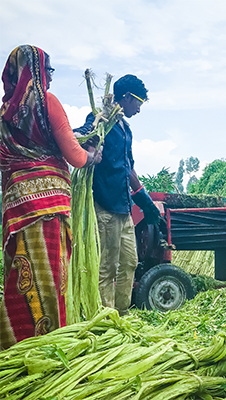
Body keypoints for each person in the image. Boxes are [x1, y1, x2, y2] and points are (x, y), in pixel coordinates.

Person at [0, 45, 102, 349]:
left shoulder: (5, 116)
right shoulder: (47, 103)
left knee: (20, 274)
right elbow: (74, 155)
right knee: (51, 278)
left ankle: (12, 342)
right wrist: (92, 155)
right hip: (49, 206)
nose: (51, 79)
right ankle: (47, 343)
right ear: (37, 70)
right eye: (49, 71)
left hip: (16, 208)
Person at [74, 75, 160, 317]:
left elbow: (127, 167)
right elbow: (83, 142)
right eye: (139, 102)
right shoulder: (100, 121)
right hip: (106, 206)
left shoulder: (125, 129)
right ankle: (106, 318)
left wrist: (143, 199)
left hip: (124, 209)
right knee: (107, 268)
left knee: (130, 262)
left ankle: (123, 313)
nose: (140, 108)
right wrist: (86, 146)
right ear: (127, 97)